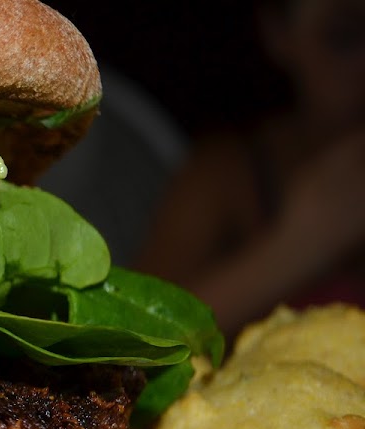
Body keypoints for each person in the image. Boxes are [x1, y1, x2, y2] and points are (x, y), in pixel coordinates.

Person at [137, 0, 365, 335]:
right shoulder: (226, 175)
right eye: (344, 37)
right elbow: (133, 335)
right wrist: (299, 245)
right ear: (279, 33)